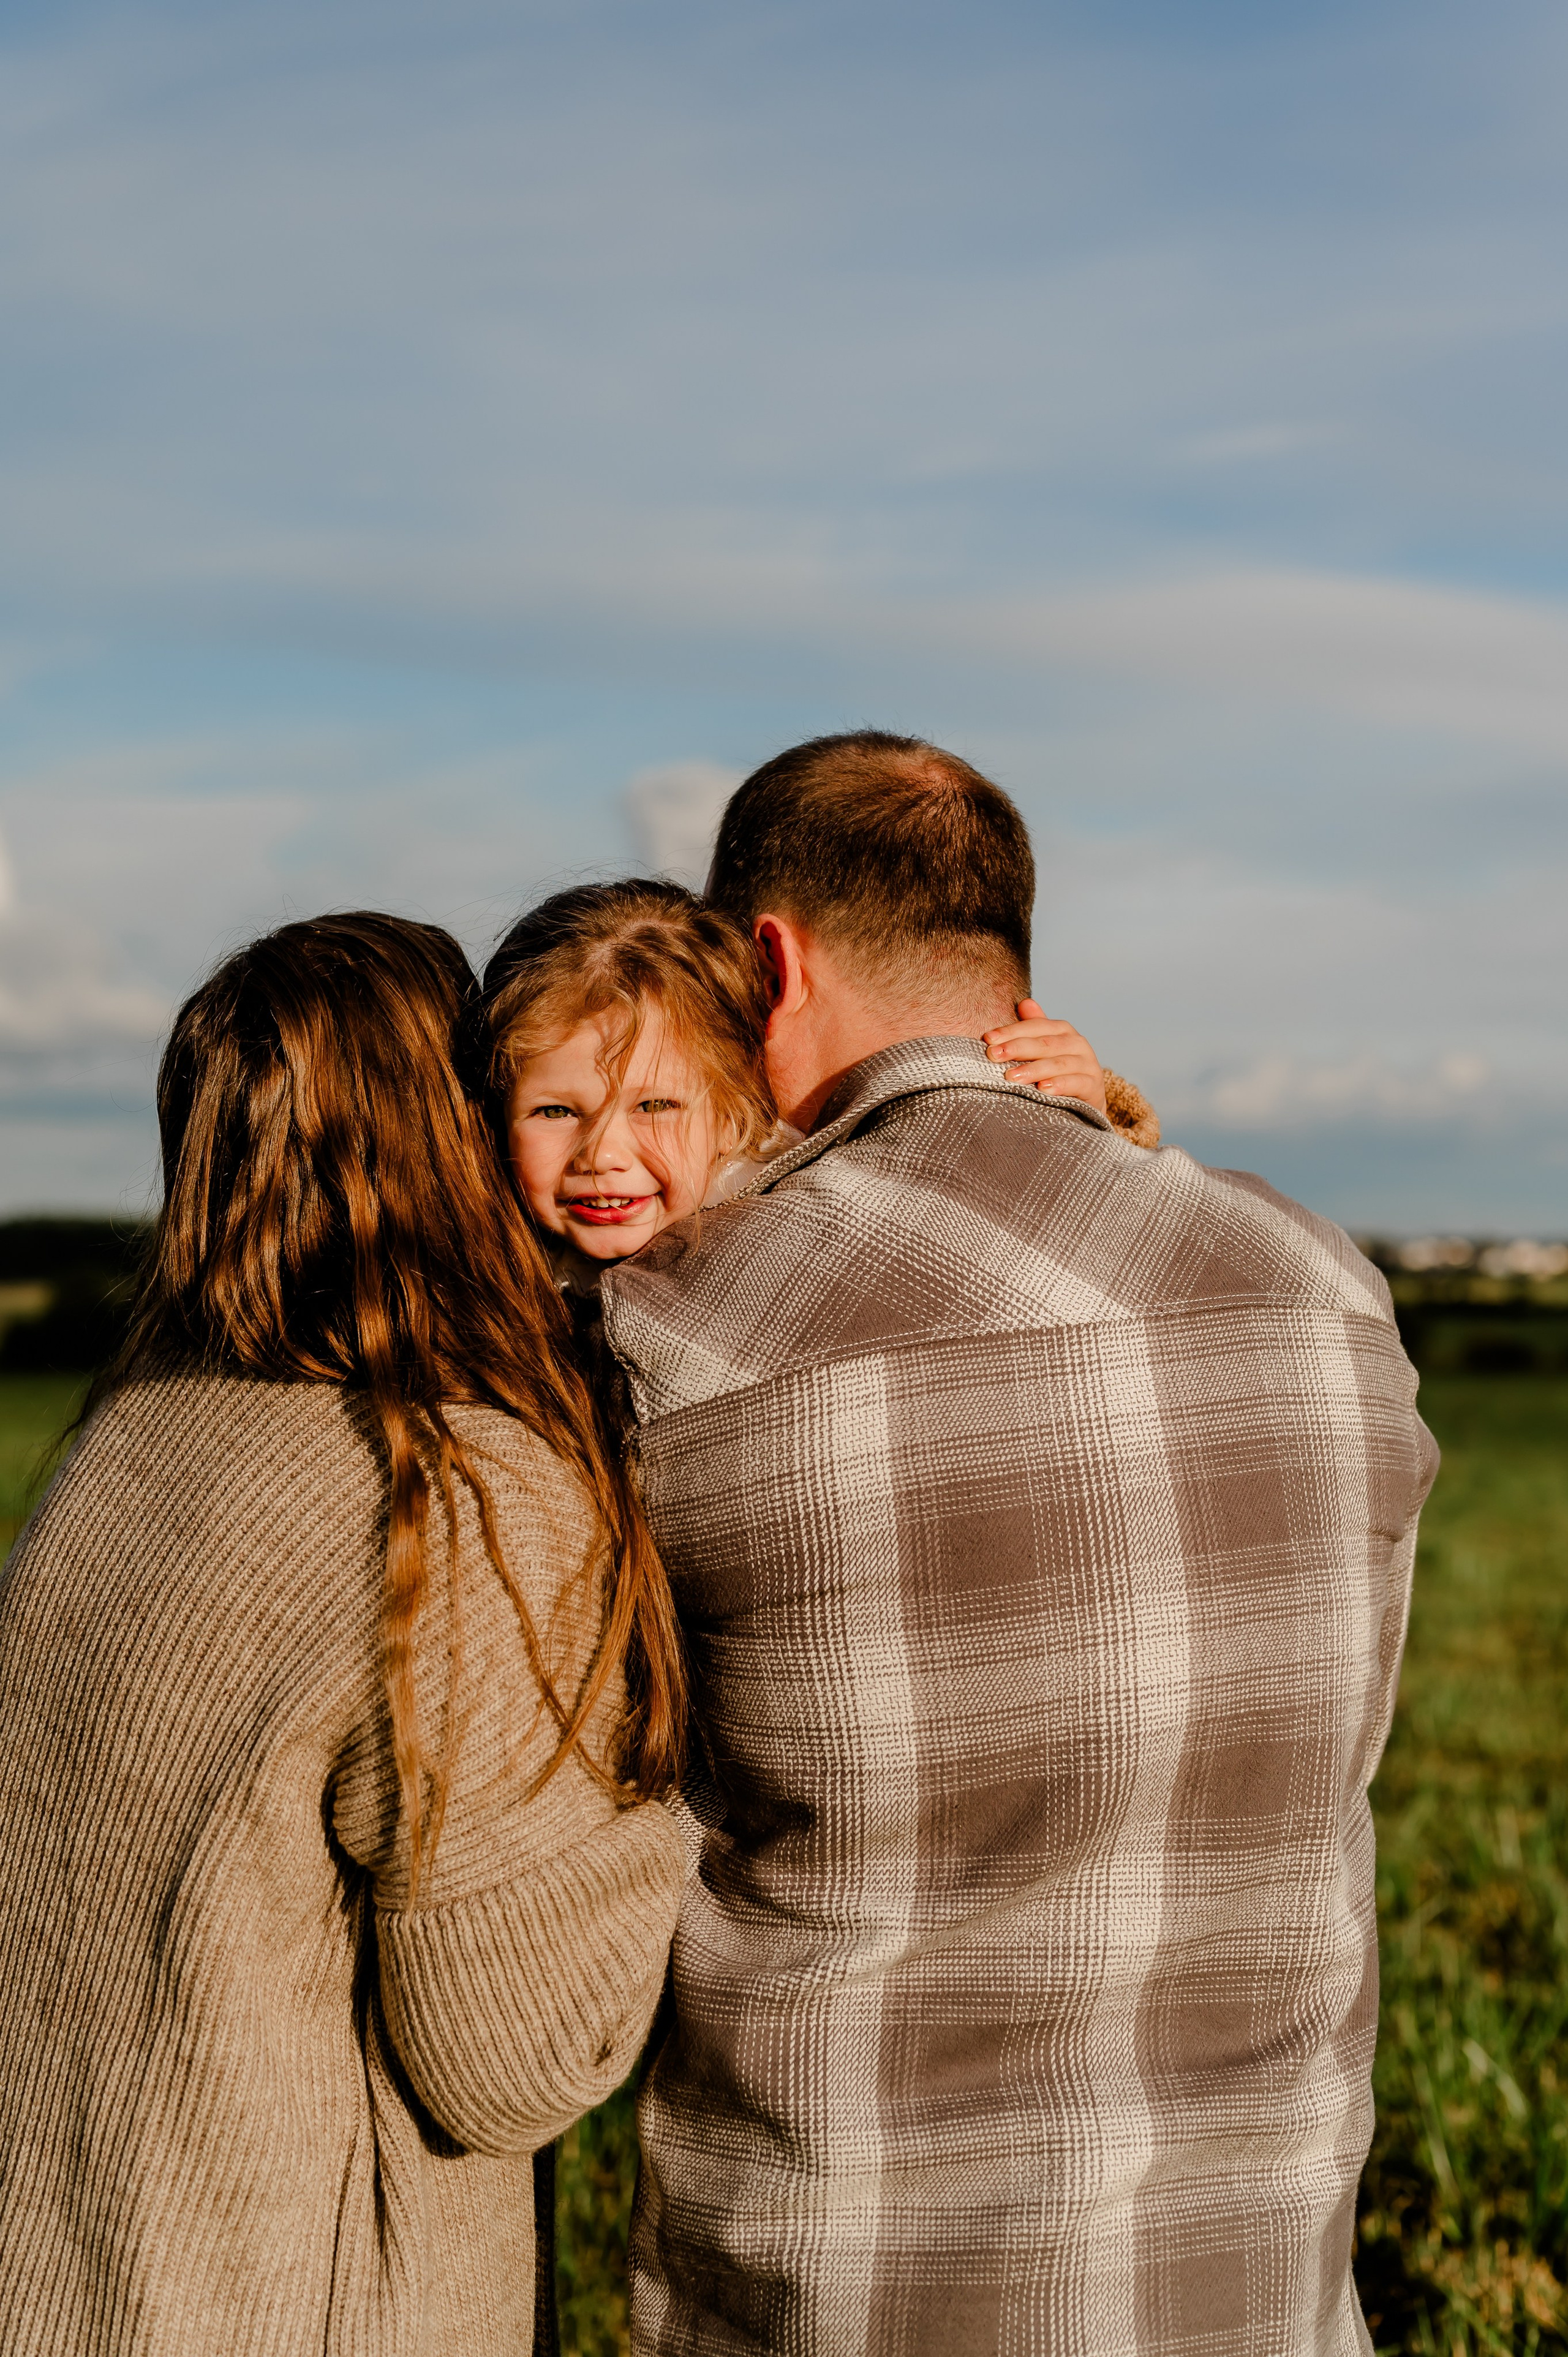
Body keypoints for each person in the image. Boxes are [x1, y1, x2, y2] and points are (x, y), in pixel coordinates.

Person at [590, 732, 1438, 2356]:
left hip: (841, 2306)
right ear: (1010, 969)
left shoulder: (675, 1335)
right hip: (1258, 2295)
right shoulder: (1328, 1291)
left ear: (767, 964)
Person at [0, 913, 688, 2356]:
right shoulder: (452, 1488)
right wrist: (695, 1779)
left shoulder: (129, 1439)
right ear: (451, 1133)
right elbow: (518, 2058)